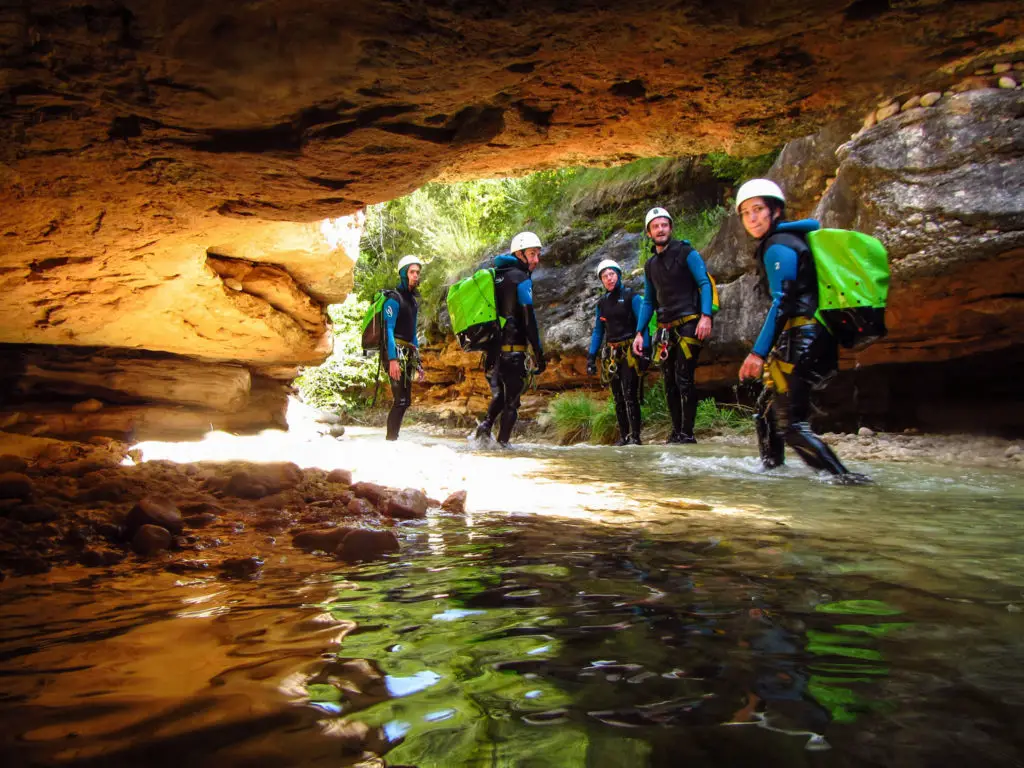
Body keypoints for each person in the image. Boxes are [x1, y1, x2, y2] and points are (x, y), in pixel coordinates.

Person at [735, 179, 869, 483]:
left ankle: (844, 481)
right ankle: (772, 470)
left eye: (758, 210)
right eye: (746, 213)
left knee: (792, 425)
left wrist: (757, 352)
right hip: (811, 335)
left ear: (775, 211)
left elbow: (782, 302)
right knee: (767, 411)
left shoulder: (777, 245)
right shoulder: (794, 240)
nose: (752, 218)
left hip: (804, 337)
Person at [631, 206, 714, 443]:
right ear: (649, 232)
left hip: (689, 324)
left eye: (664, 225)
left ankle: (687, 433)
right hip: (664, 330)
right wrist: (639, 332)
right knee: (669, 383)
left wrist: (705, 316)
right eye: (655, 226)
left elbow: (704, 284)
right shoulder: (650, 266)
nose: (660, 229)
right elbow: (648, 301)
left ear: (670, 228)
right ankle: (676, 431)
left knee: (684, 378)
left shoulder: (687, 253)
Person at [474, 231, 546, 447]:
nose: (536, 260)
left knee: (501, 395)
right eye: (532, 254)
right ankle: (503, 447)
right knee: (512, 403)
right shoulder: (521, 279)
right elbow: (528, 318)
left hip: (494, 353)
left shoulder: (496, 276)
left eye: (537, 254)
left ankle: (484, 428)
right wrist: (539, 352)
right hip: (514, 351)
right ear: (520, 254)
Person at [586, 259, 649, 445]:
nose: (609, 278)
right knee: (618, 397)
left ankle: (635, 437)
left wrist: (646, 350)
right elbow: (599, 331)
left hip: (630, 352)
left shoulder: (631, 296)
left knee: (630, 394)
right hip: (612, 354)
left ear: (619, 275)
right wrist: (591, 357)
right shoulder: (602, 303)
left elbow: (643, 324)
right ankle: (624, 435)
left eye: (612, 274)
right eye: (605, 276)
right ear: (601, 281)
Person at [383, 255, 425, 441]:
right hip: (394, 353)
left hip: (407, 353)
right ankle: (390, 441)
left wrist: (418, 363)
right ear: (403, 274)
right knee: (400, 400)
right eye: (412, 272)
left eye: (417, 272)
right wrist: (392, 359)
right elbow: (388, 330)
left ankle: (393, 439)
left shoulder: (413, 301)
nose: (416, 275)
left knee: (405, 401)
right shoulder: (393, 299)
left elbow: (413, 333)